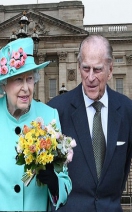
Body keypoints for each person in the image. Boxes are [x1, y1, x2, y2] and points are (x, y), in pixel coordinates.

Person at [0, 37, 72, 211]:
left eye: (29, 79)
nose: (26, 88)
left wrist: (54, 183)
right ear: (4, 84)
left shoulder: (49, 116)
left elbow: (65, 182)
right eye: (18, 80)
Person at [47, 34, 132, 211]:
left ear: (110, 70)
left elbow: (123, 170)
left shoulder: (127, 110)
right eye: (86, 69)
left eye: (98, 69)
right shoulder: (57, 110)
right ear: (78, 67)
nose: (90, 77)